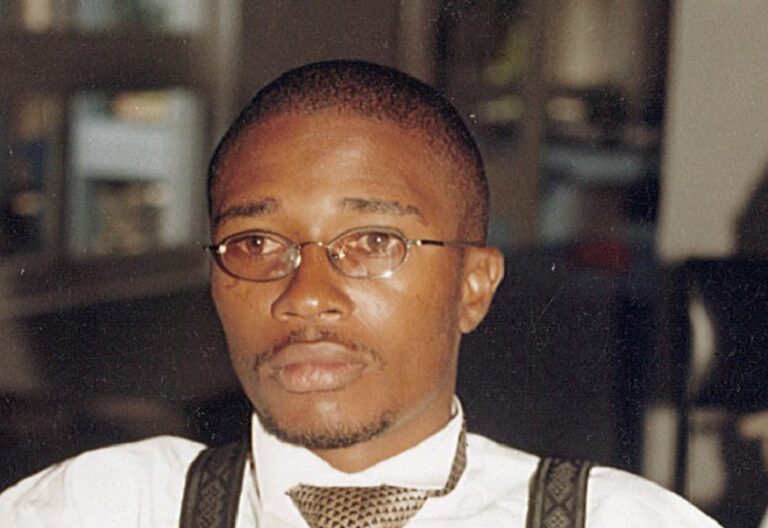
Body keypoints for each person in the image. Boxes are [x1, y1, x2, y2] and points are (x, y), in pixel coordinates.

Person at [0, 60, 720, 527]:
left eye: (373, 241)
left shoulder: (617, 520)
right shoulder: (102, 508)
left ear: (473, 286)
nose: (305, 296)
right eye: (256, 243)